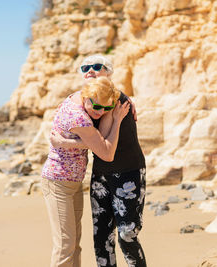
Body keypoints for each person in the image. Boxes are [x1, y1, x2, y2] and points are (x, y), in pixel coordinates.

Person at [50, 54, 147, 267]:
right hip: (101, 175)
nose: (90, 71)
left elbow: (104, 148)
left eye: (96, 66)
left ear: (108, 72)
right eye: (85, 68)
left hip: (128, 171)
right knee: (101, 237)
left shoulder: (117, 101)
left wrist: (65, 144)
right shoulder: (86, 100)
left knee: (127, 235)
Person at [41, 74, 130, 267]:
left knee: (74, 244)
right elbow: (106, 153)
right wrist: (115, 120)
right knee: (65, 244)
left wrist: (67, 143)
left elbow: (105, 94)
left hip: (73, 182)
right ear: (86, 96)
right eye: (96, 106)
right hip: (57, 183)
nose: (100, 112)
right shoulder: (79, 117)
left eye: (106, 108)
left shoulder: (80, 97)